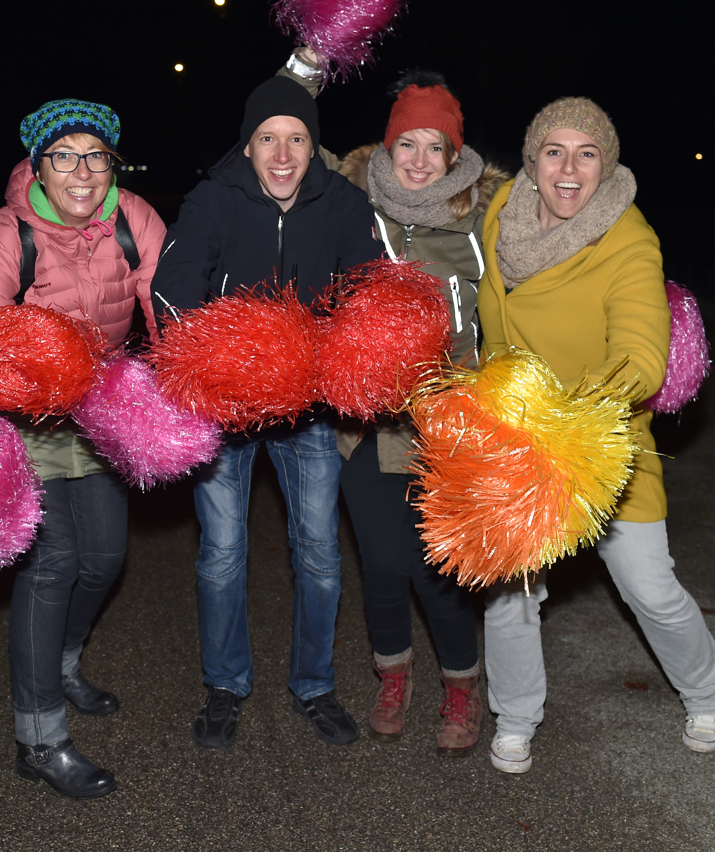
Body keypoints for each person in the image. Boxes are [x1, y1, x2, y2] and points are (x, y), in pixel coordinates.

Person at [477, 97, 715, 773]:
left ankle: (706, 693)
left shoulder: (628, 239)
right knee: (510, 594)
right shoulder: (502, 213)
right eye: (554, 151)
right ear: (531, 162)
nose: (569, 168)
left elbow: (642, 355)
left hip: (604, 442)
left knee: (650, 588)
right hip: (520, 443)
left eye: (587, 154)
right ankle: (516, 715)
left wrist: (581, 417)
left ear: (606, 166)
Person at [278, 49, 509, 753]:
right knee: (380, 564)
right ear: (387, 144)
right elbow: (280, 134)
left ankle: (464, 690)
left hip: (447, 423)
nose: (416, 159)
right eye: (404, 143)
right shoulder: (352, 199)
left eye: (432, 146)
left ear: (453, 152)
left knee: (438, 571)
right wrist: (306, 63)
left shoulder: (484, 218)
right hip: (365, 424)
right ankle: (392, 676)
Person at [150, 75, 383, 750]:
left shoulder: (342, 203)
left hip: (307, 415)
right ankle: (225, 685)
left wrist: (335, 360)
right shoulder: (213, 201)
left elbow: (366, 294)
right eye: (268, 139)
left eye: (298, 139)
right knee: (222, 553)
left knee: (319, 555)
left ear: (315, 147)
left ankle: (314, 685)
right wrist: (218, 363)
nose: (283, 155)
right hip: (226, 413)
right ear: (248, 146)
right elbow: (176, 287)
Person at [0, 99, 163, 800]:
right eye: (63, 155)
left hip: (98, 415)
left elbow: (170, 303)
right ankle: (38, 737)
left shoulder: (135, 220)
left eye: (95, 156)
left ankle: (63, 663)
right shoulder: (10, 233)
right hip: (24, 417)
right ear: (38, 166)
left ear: (112, 167)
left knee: (104, 559)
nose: (81, 170)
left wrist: (193, 382)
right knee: (53, 564)